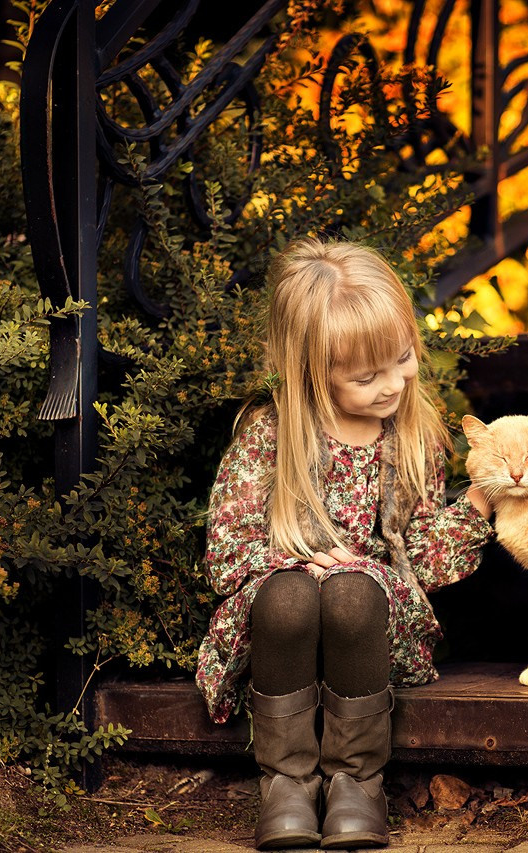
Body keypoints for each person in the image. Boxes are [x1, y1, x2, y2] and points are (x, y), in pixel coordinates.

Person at [195, 238, 494, 850]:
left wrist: (483, 503)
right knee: (290, 597)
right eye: (366, 376)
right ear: (315, 370)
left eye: (403, 359)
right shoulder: (271, 437)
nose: (393, 385)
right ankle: (287, 785)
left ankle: (358, 783)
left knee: (354, 594)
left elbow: (423, 560)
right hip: (282, 626)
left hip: (372, 623)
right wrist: (294, 561)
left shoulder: (413, 439)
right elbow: (225, 553)